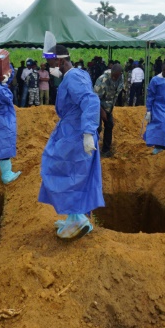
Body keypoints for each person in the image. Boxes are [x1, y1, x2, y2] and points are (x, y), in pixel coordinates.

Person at [38, 44, 103, 241]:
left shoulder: (73, 77)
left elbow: (91, 101)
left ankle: (77, 218)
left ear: (59, 61)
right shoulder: (77, 74)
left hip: (75, 133)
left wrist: (88, 132)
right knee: (74, 173)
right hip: (72, 130)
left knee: (62, 170)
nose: (49, 67)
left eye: (50, 62)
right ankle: (75, 217)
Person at [93, 64, 124, 157]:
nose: (115, 78)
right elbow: (95, 98)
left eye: (117, 76)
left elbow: (117, 92)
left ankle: (106, 150)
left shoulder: (121, 78)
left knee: (109, 125)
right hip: (97, 106)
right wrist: (102, 112)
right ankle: (93, 151)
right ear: (111, 72)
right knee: (97, 128)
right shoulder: (102, 79)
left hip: (109, 107)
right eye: (113, 76)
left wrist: (109, 111)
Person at [144, 60, 165, 154]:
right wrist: (149, 110)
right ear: (162, 69)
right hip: (157, 106)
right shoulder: (155, 80)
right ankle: (158, 145)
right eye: (164, 70)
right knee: (159, 124)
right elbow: (150, 95)